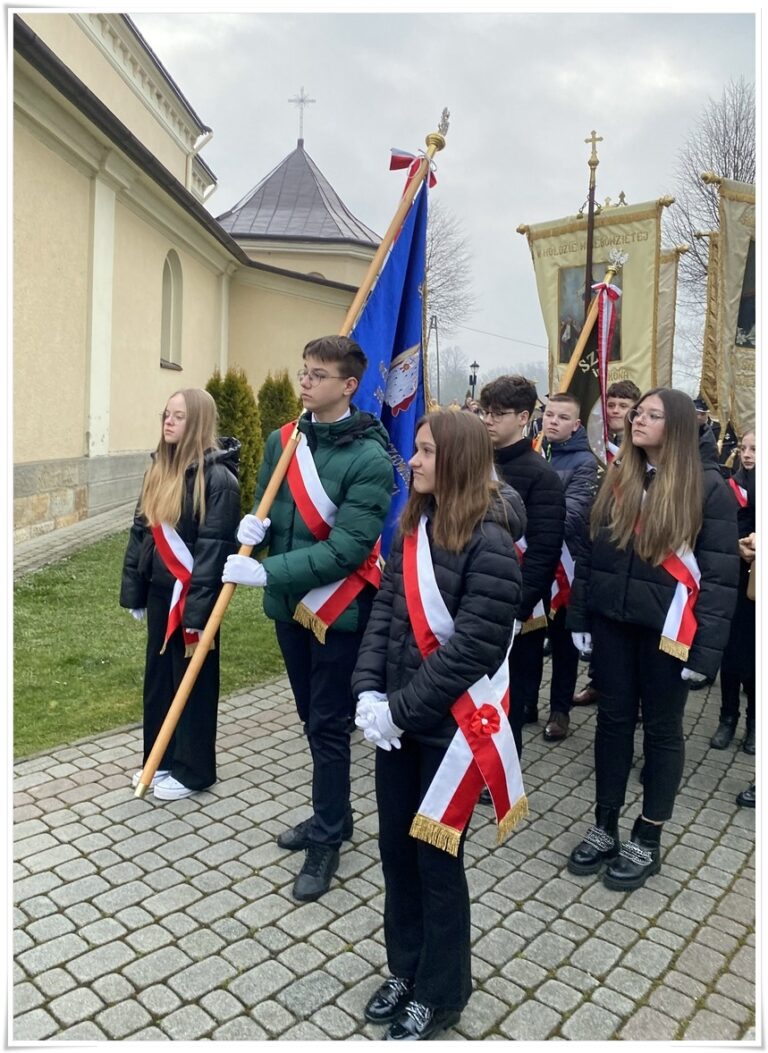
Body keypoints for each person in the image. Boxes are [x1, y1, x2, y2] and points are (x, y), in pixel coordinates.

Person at [351, 409, 525, 1040]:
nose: (414, 461)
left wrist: (399, 708)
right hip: (398, 723)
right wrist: (368, 693)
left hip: (451, 730)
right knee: (395, 849)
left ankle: (441, 992)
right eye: (415, 450)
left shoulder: (493, 538)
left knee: (436, 859)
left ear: (456, 459)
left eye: (425, 452)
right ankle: (405, 966)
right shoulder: (415, 524)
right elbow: (386, 613)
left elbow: (475, 645)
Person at [221, 335, 393, 902]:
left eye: (318, 375)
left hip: (339, 613)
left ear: (348, 385)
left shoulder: (370, 458)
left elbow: (348, 549)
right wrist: (255, 527)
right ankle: (335, 816)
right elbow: (272, 505)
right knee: (309, 717)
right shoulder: (284, 439)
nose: (305, 382)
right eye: (303, 372)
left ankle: (327, 839)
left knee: (327, 725)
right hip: (290, 609)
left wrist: (269, 572)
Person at [567, 388, 739, 892]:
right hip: (614, 623)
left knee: (663, 732)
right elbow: (592, 552)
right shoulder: (620, 474)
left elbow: (720, 577)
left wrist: (706, 652)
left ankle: (649, 833)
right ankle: (605, 823)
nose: (637, 420)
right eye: (637, 413)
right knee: (613, 722)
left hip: (670, 631)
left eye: (651, 415)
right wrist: (582, 614)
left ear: (678, 425)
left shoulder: (709, 487)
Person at [120, 388, 240, 800]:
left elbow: (213, 550)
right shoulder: (159, 468)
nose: (168, 422)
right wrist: (135, 591)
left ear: (199, 423)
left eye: (179, 416)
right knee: (158, 682)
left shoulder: (218, 479)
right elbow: (141, 533)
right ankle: (160, 759)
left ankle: (194, 770)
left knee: (193, 684)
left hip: (192, 600)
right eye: (165, 414)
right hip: (159, 595)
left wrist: (197, 613)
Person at [479, 375, 565, 753]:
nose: (487, 420)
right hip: (474, 597)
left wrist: (517, 608)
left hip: (519, 608)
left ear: (524, 417)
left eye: (498, 413)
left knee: (509, 695)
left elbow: (544, 551)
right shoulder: (474, 461)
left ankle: (502, 775)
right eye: (485, 412)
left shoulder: (541, 475)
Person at [574, 379, 641, 706]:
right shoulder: (595, 443)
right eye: (611, 405)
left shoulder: (637, 450)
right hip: (592, 535)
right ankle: (597, 681)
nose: (615, 411)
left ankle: (632, 695)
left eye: (623, 406)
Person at [540, 393, 599, 742]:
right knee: (528, 639)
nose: (553, 422)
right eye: (549, 414)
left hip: (566, 566)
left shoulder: (585, 463)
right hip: (532, 562)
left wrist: (527, 519)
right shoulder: (534, 452)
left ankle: (560, 710)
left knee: (563, 644)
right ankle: (526, 703)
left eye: (562, 418)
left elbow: (574, 513)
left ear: (576, 425)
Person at [710, 430, 756, 753]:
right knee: (730, 652)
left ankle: (755, 724)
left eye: (756, 449)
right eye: (744, 448)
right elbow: (720, 526)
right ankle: (728, 717)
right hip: (736, 578)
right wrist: (738, 545)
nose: (748, 454)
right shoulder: (731, 486)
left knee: (755, 658)